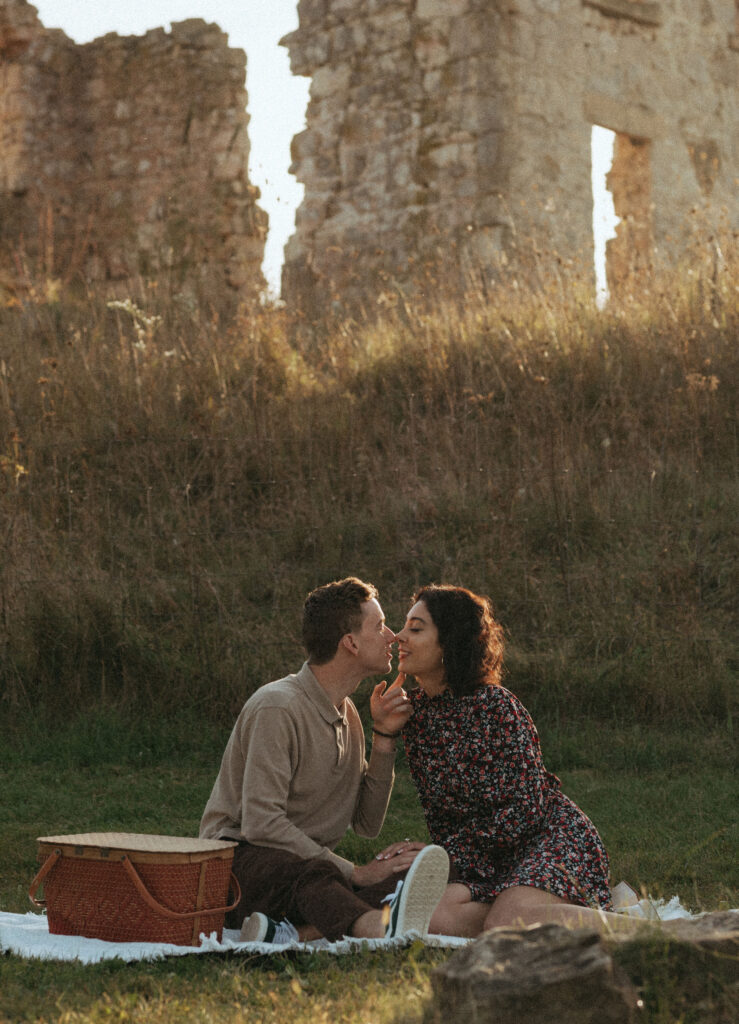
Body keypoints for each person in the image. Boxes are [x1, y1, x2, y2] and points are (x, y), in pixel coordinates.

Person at [199, 576, 449, 944]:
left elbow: (367, 823)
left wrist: (384, 737)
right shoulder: (277, 707)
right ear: (350, 643)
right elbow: (261, 824)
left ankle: (289, 934)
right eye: (379, 626)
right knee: (323, 875)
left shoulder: (348, 715)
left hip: (307, 871)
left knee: (408, 867)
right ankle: (372, 927)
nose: (392, 636)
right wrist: (355, 873)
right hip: (238, 866)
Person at [396, 583, 645, 937]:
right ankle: (565, 911)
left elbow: (526, 810)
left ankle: (648, 929)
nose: (398, 637)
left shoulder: (495, 706)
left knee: (503, 922)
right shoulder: (416, 716)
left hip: (546, 838)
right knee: (434, 919)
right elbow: (441, 816)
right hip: (487, 861)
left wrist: (448, 852)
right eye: (404, 626)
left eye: (415, 628)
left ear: (448, 642)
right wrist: (385, 733)